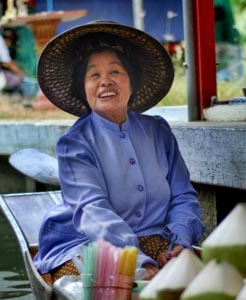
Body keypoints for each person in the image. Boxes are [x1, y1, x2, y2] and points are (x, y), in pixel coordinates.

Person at [33, 21, 205, 284]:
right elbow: (92, 211)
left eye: (115, 71)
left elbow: (183, 197)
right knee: (101, 286)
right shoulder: (75, 144)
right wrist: (138, 263)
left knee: (195, 275)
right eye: (94, 75)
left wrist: (180, 241)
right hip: (88, 243)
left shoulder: (158, 131)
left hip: (155, 237)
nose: (105, 82)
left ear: (131, 82)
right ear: (83, 88)